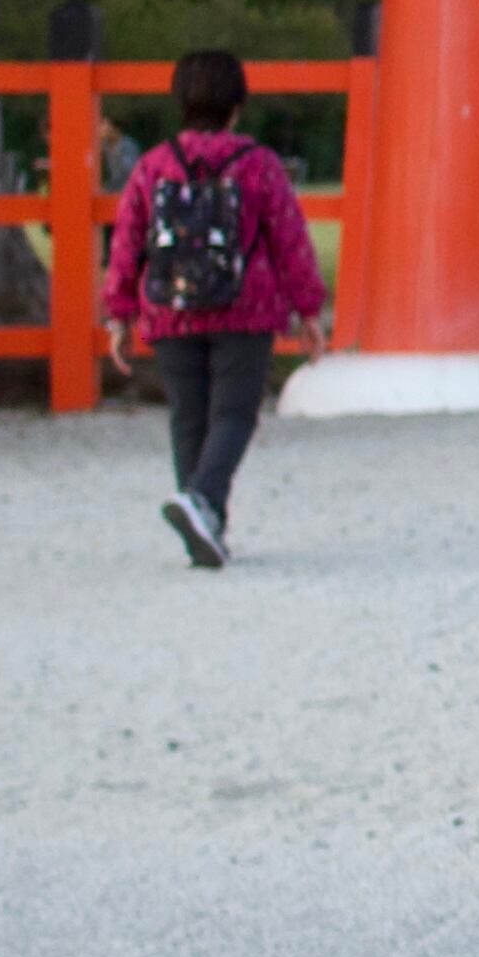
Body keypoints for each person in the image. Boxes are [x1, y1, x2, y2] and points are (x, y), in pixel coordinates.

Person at [99, 50, 329, 569]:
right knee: (234, 414)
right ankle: (204, 503)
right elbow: (290, 240)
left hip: (169, 309)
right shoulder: (258, 165)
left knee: (189, 417)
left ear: (180, 100)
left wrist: (118, 312)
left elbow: (127, 240)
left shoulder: (153, 165)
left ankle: (202, 516)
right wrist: (309, 310)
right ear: (237, 104)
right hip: (244, 308)